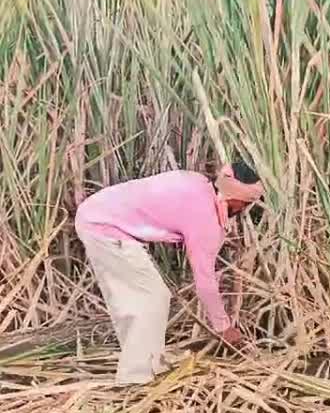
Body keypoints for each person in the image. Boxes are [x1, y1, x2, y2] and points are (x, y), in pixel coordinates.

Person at [73, 161, 265, 385]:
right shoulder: (205, 217)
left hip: (97, 213)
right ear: (237, 198)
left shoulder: (198, 183)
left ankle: (152, 363)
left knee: (142, 300)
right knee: (150, 298)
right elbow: (205, 280)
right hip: (104, 226)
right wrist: (223, 327)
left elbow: (169, 210)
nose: (244, 209)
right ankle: (135, 380)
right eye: (246, 202)